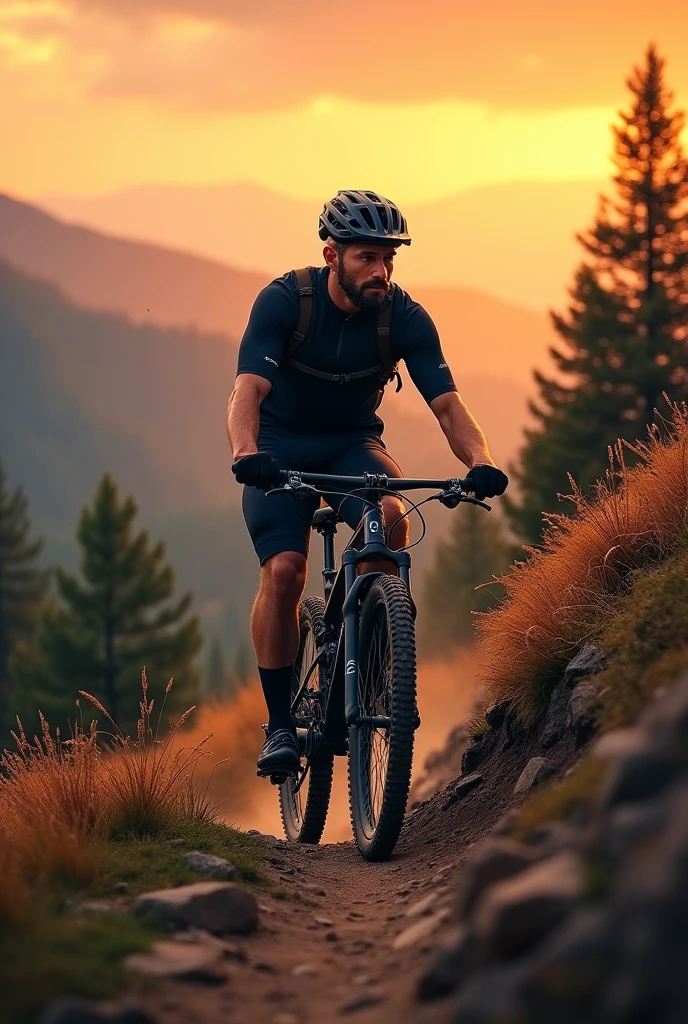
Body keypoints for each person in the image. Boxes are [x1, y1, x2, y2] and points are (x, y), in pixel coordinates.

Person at [226, 189, 508, 777]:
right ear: (332, 256)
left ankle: (374, 657)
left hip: (355, 442)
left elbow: (449, 407)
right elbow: (247, 391)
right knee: (283, 573)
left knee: (394, 520)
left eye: (388, 259)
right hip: (280, 447)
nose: (380, 271)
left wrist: (480, 460)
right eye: (366, 258)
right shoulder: (285, 302)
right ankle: (280, 725)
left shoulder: (403, 317)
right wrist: (247, 452)